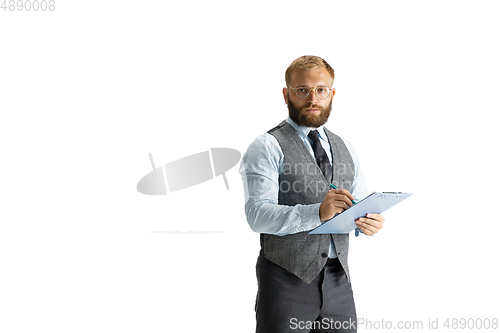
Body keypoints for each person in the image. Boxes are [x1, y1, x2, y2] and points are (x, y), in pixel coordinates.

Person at [239, 55, 386, 333]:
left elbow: (360, 203)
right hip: (285, 278)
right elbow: (257, 215)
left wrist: (369, 220)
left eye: (321, 90)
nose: (312, 99)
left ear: (332, 94)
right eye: (302, 90)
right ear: (286, 94)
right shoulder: (267, 145)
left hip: (338, 280)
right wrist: (317, 212)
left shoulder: (345, 146)